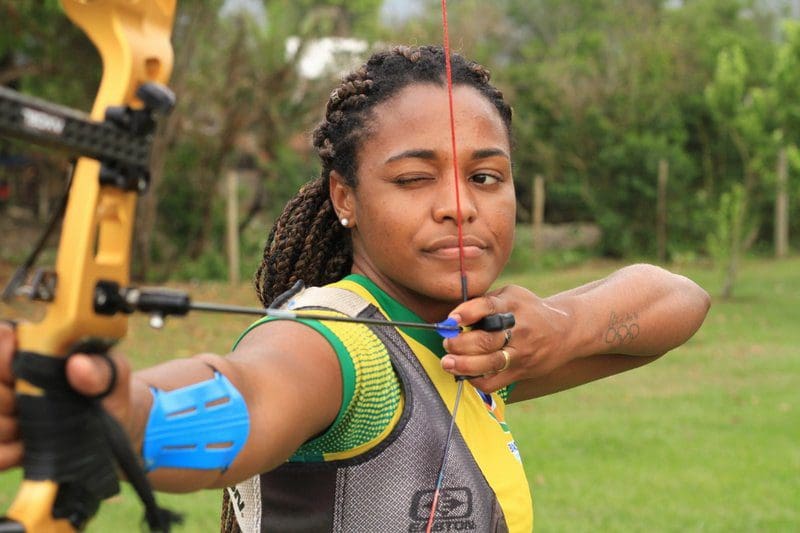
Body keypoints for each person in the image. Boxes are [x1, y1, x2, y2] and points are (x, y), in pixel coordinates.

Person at [0, 45, 710, 532]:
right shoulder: (339, 348)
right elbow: (251, 390)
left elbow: (676, 298)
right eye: (414, 178)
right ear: (345, 194)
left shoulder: (468, 343)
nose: (459, 205)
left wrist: (558, 325)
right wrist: (124, 412)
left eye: (486, 177)